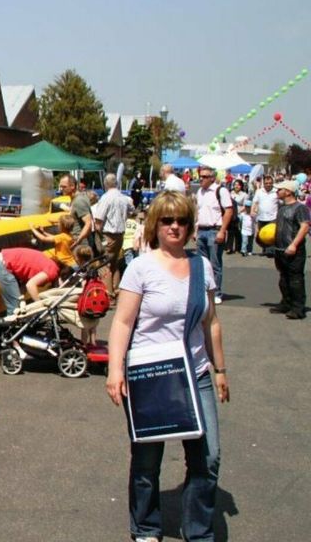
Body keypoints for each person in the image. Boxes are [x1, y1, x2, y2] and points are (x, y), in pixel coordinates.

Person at [105, 191, 229, 542]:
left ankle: (198, 532)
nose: (175, 226)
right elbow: (122, 323)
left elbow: (211, 323)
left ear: (191, 226)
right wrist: (116, 370)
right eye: (167, 220)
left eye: (182, 221)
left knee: (208, 458)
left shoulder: (201, 266)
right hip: (151, 375)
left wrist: (221, 370)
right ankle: (145, 527)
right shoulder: (141, 267)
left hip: (196, 373)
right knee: (147, 460)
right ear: (155, 224)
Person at [194, 166, 233, 305]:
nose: (201, 179)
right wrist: (195, 229)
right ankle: (204, 290)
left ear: (212, 178)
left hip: (214, 230)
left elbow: (228, 211)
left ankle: (216, 292)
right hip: (202, 230)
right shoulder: (200, 192)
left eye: (204, 176)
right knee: (201, 263)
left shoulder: (220, 191)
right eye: (200, 176)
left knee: (215, 263)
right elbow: (198, 211)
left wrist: (222, 230)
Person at [270, 180, 309, 319]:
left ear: (288, 191)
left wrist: (294, 244)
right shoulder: (282, 208)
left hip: (294, 250)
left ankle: (298, 308)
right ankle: (286, 303)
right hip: (280, 249)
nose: (277, 192)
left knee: (295, 279)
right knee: (283, 278)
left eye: (280, 189)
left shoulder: (300, 208)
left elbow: (304, 226)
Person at [0, 246, 60, 318]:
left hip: (2, 262)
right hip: (3, 264)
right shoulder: (53, 270)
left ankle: (17, 324)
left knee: (18, 303)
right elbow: (30, 285)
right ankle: (14, 327)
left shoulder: (46, 264)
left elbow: (24, 286)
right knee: (15, 309)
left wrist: (22, 299)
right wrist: (41, 306)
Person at [93, 174, 134, 295]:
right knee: (115, 263)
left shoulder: (105, 198)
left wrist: (97, 235)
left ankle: (108, 294)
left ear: (105, 184)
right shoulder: (124, 198)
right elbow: (132, 211)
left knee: (105, 264)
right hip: (120, 234)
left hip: (108, 234)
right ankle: (116, 289)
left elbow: (99, 220)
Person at [58, 173, 101, 255]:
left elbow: (88, 223)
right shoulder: (78, 198)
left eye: (64, 187)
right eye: (60, 186)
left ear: (72, 186)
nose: (61, 189)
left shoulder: (79, 201)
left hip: (81, 245)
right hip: (81, 243)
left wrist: (78, 240)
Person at [226, 179, 247, 254]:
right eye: (235, 185)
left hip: (239, 214)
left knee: (238, 232)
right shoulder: (230, 193)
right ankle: (229, 247)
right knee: (230, 231)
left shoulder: (244, 195)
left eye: (238, 185)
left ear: (241, 186)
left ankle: (238, 247)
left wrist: (238, 212)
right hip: (231, 214)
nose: (236, 186)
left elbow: (245, 206)